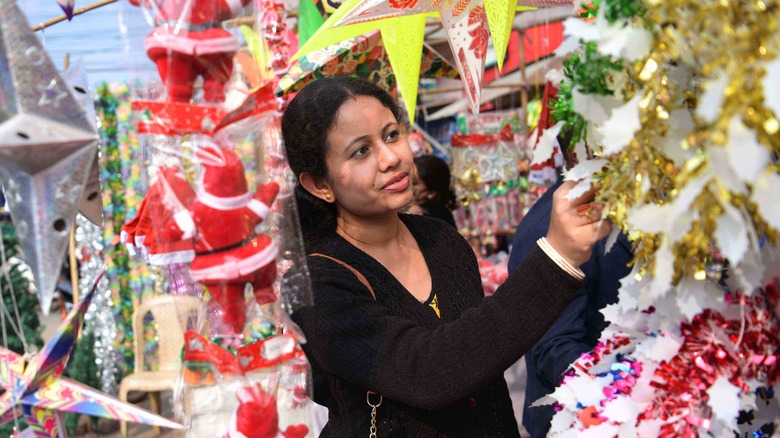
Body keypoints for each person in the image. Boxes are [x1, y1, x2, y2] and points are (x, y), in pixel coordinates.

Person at [281, 77, 611, 437]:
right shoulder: (315, 283)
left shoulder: (440, 238)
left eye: (391, 135)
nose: (391, 158)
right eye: (361, 151)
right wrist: (555, 261)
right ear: (320, 184)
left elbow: (487, 372)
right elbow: (428, 372)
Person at [507, 145, 633, 438]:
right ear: (584, 149)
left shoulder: (618, 204)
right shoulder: (550, 227)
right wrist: (634, 381)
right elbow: (553, 348)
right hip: (582, 420)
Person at [411, 155, 458, 228]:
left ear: (432, 193)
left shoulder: (434, 223)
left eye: (414, 183)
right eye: (405, 176)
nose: (406, 184)